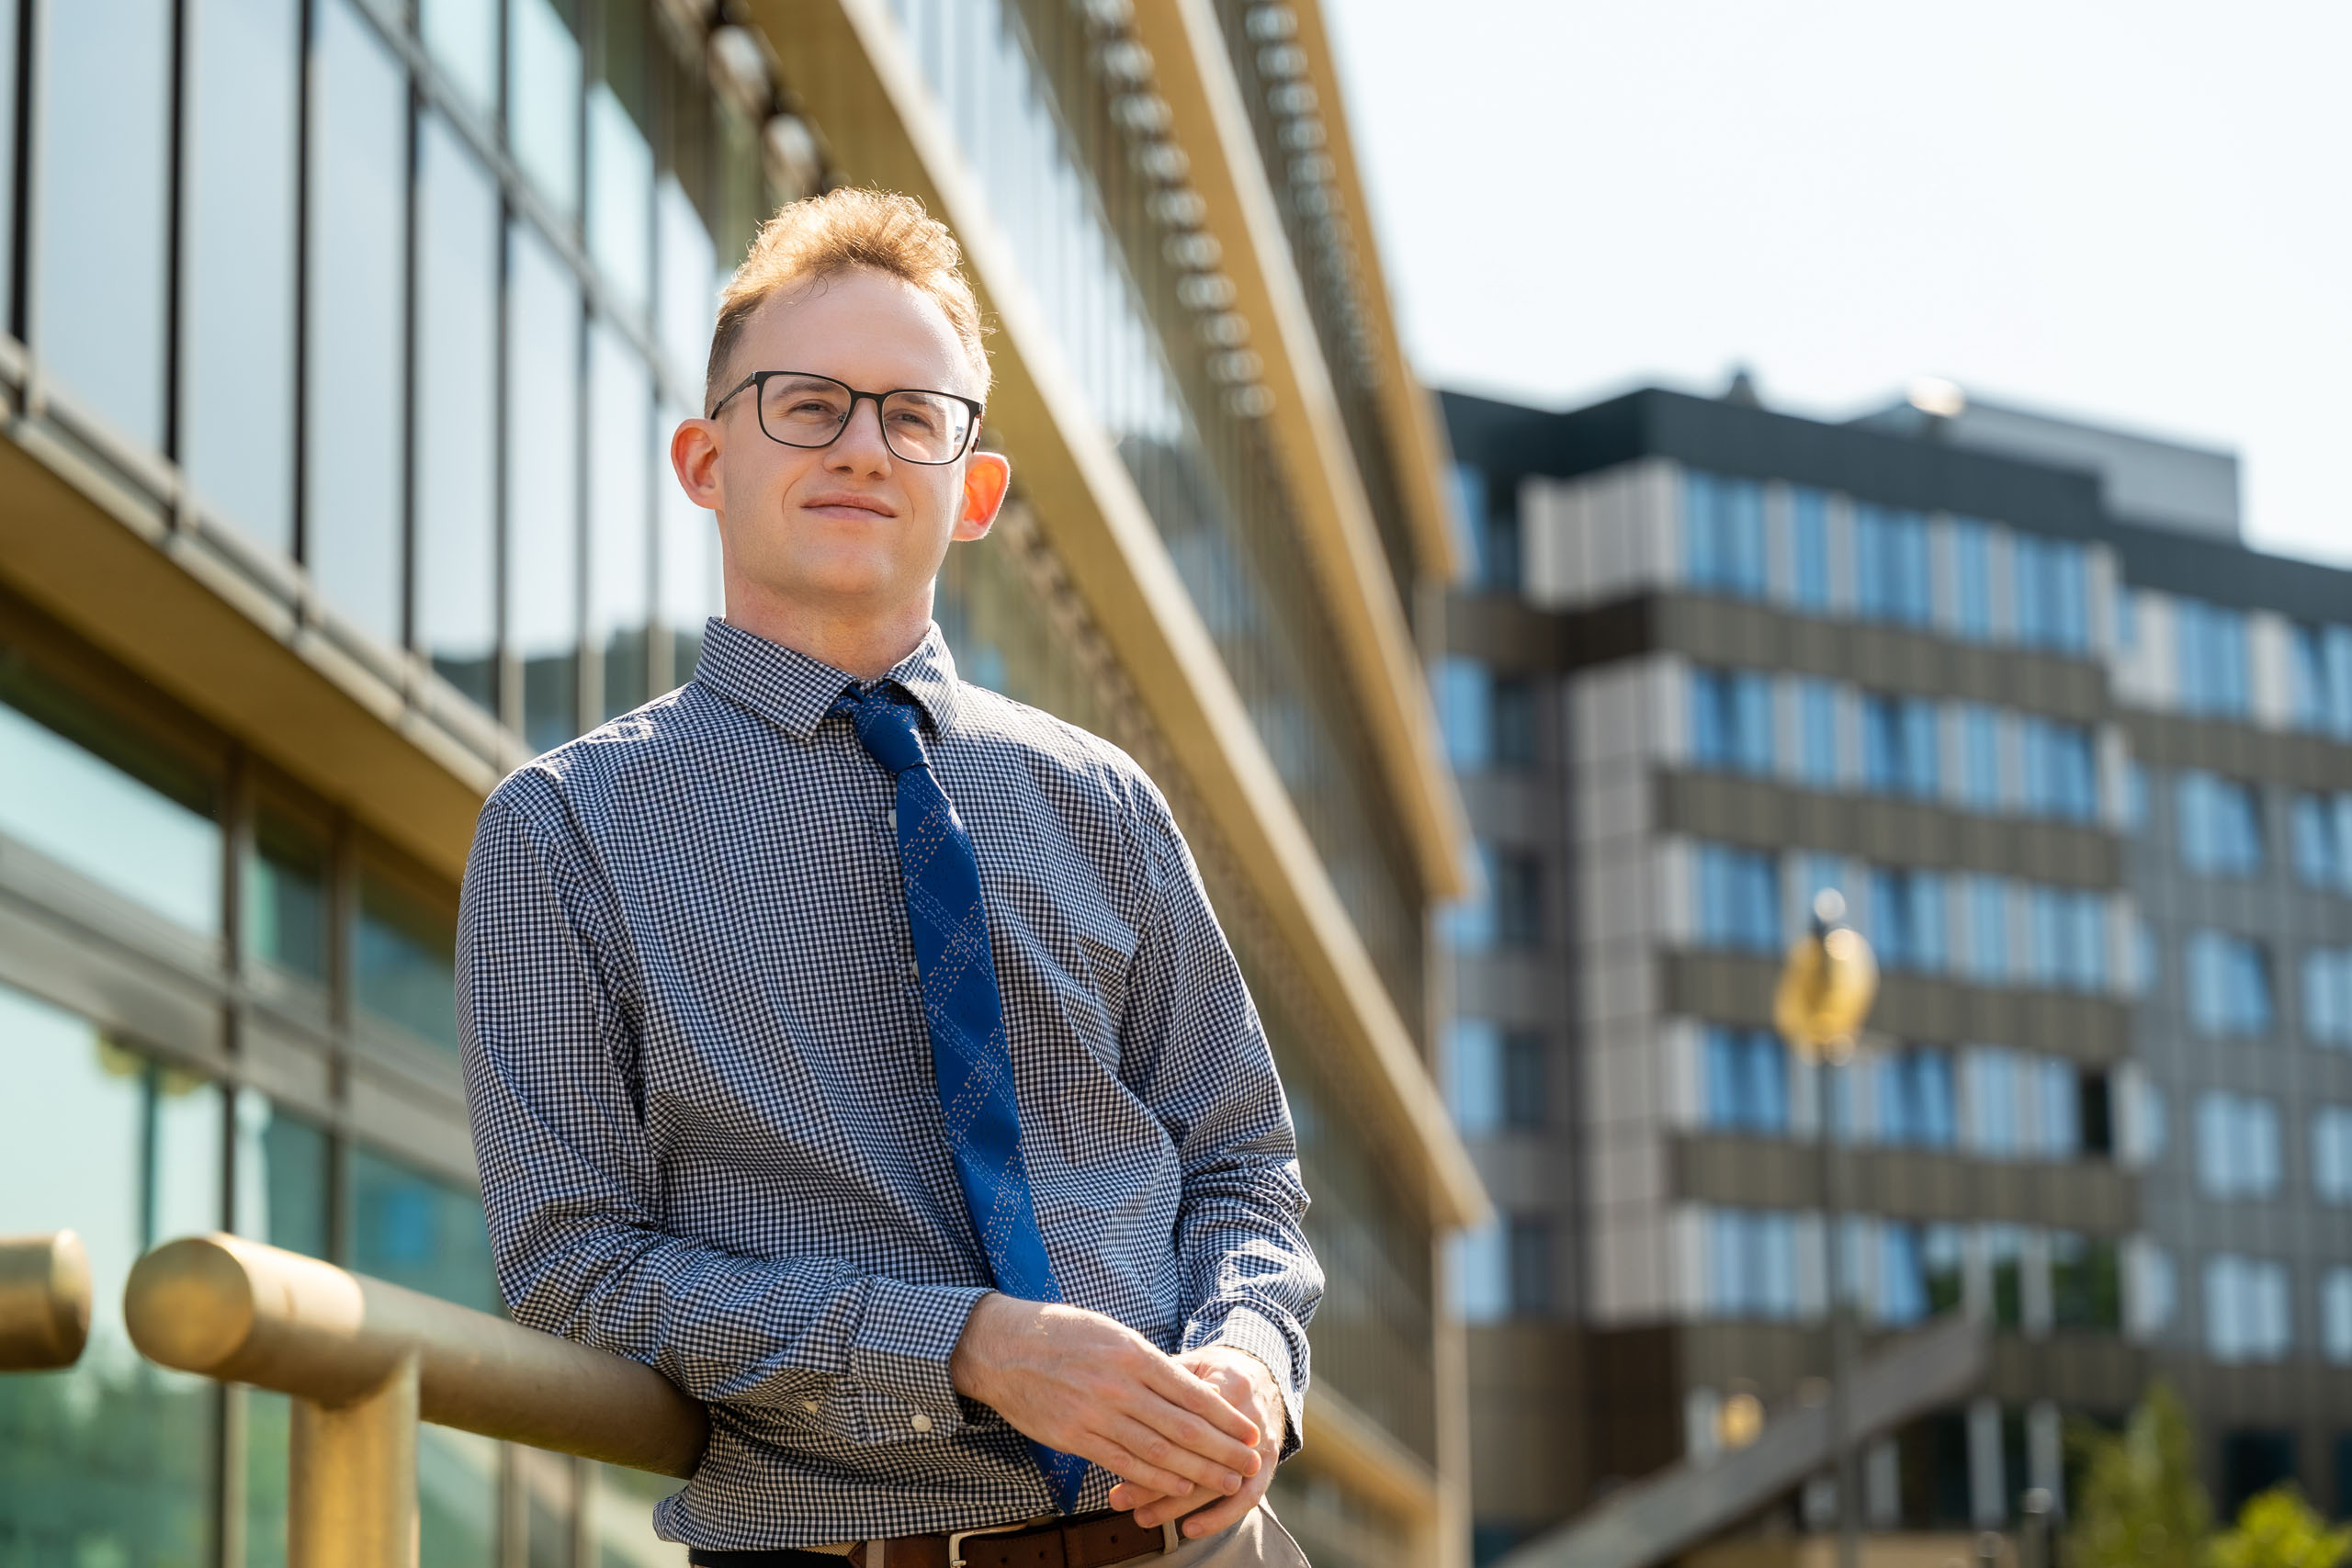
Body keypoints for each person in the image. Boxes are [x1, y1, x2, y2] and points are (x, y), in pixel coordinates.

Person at [457, 187, 1320, 1568]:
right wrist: (965, 1348)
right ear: (704, 458)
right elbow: (573, 1271)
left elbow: (1240, 1168)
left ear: (972, 490)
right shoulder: (563, 833)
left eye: (914, 416)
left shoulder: (1101, 801)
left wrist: (1253, 1362)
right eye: (808, 403)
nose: (864, 445)